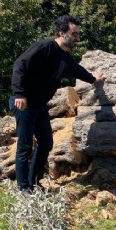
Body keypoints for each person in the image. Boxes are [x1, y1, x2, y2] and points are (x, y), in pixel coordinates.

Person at [10, 15, 103, 193]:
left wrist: (93, 79)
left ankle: (34, 183)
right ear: (62, 33)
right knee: (25, 146)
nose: (77, 38)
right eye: (74, 34)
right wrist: (19, 93)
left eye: (77, 34)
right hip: (25, 103)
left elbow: (78, 70)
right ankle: (23, 188)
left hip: (39, 106)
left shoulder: (65, 57)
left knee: (46, 143)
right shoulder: (44, 47)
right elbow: (19, 65)